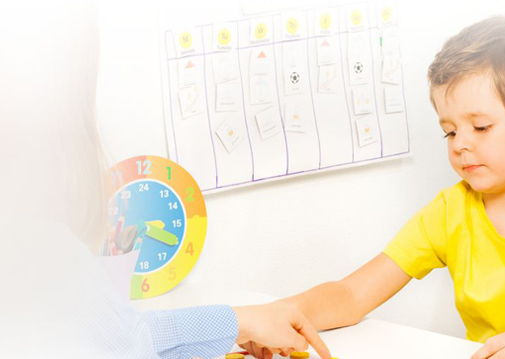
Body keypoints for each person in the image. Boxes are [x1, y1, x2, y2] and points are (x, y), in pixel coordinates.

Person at [242, 15, 505, 359]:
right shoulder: (450, 211)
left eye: (481, 127)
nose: (461, 143)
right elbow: (351, 296)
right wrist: (277, 313)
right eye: (449, 131)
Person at [0, 2, 331, 359]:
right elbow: (128, 342)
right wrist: (241, 320)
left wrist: (241, 321)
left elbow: (126, 335)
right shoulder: (38, 244)